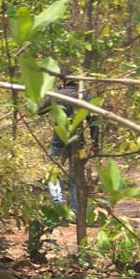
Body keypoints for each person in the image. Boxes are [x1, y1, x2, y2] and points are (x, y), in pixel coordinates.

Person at [38, 81, 99, 212]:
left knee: (52, 173)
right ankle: (76, 211)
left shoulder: (57, 95)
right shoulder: (85, 96)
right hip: (79, 143)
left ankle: (58, 204)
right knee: (76, 176)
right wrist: (95, 142)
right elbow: (94, 121)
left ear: (63, 82)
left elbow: (39, 111)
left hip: (59, 140)